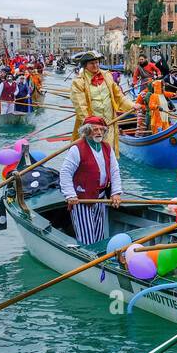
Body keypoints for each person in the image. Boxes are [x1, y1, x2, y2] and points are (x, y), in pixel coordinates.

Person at [59, 116, 124, 245]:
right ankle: (89, 259)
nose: (99, 132)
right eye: (95, 130)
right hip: (82, 199)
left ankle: (98, 258)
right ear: (86, 131)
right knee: (87, 238)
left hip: (100, 198)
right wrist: (70, 194)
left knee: (99, 235)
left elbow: (114, 171)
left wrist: (115, 193)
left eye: (101, 130)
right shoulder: (76, 148)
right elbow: (65, 172)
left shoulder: (107, 147)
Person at [70, 50, 138, 153]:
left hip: (109, 124)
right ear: (85, 65)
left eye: (97, 62)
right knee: (91, 154)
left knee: (108, 152)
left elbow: (119, 97)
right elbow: (81, 107)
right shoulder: (78, 82)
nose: (96, 65)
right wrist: (91, 124)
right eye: (92, 63)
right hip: (91, 126)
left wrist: (133, 106)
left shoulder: (107, 76)